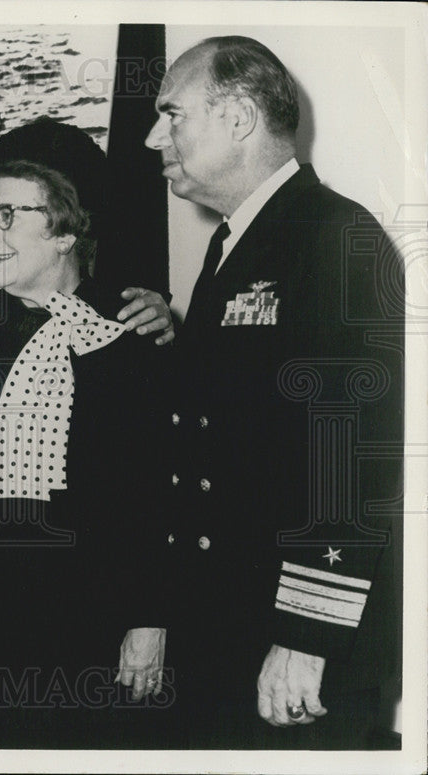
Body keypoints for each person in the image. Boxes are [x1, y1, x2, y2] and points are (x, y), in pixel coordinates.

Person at [145, 37, 403, 748]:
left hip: (292, 648)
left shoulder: (335, 237)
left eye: (172, 114)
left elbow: (350, 453)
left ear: (237, 118)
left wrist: (307, 633)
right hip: (226, 624)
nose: (152, 137)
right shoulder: (236, 244)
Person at [0, 123, 174, 748]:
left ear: (66, 232)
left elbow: (152, 496)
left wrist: (147, 619)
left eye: (9, 215)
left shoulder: (132, 335)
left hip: (92, 619)